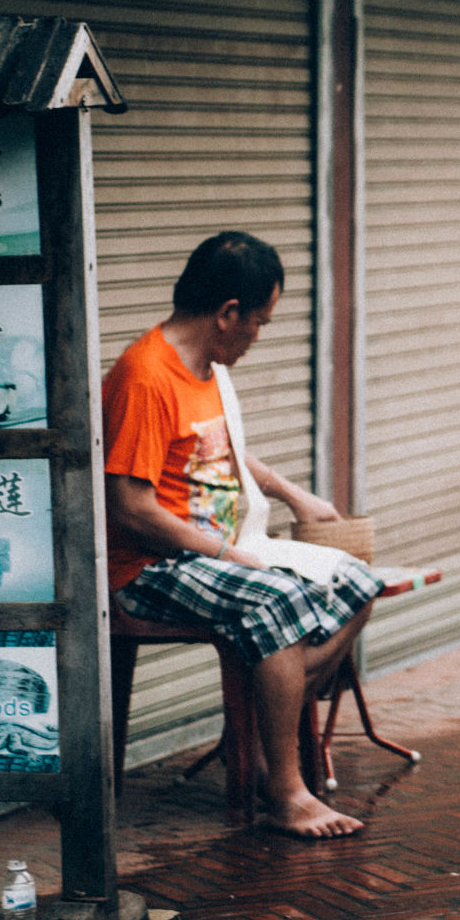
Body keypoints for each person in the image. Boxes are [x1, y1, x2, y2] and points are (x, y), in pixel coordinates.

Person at [103, 232, 380, 839]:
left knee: (358, 581)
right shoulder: (146, 376)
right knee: (277, 602)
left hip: (215, 551)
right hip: (151, 566)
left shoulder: (205, 367)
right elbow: (128, 505)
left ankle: (252, 727)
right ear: (228, 314)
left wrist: (292, 494)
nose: (259, 335)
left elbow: (226, 450)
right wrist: (227, 553)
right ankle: (286, 792)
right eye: (260, 322)